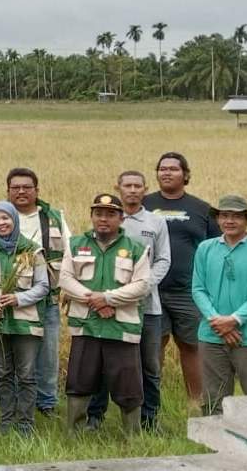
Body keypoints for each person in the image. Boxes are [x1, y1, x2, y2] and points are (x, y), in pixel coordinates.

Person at [0, 168, 69, 416]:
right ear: (8, 191)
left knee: (46, 356)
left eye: (27, 187)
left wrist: (68, 288)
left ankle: (45, 404)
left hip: (44, 300)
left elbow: (69, 255)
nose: (21, 191)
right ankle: (5, 402)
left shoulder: (53, 218)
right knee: (1, 361)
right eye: (15, 187)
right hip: (0, 307)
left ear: (37, 190)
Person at [61, 194, 151, 434]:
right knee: (79, 381)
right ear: (91, 216)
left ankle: (133, 437)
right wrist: (95, 300)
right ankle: (74, 434)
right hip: (85, 324)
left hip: (121, 326)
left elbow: (141, 285)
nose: (103, 219)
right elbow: (65, 279)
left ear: (121, 218)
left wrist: (109, 298)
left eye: (110, 214)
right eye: (98, 214)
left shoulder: (136, 249)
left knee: (128, 385)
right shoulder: (75, 244)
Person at [88, 171, 171, 431]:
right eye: (127, 185)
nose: (132, 190)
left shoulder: (156, 222)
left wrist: (141, 288)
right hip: (106, 309)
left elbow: (163, 260)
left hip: (147, 308)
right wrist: (106, 299)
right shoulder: (105, 217)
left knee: (150, 367)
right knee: (102, 366)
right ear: (119, 188)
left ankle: (149, 420)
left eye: (137, 186)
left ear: (146, 189)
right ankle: (94, 417)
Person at [144, 152, 218, 410]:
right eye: (162, 168)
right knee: (154, 346)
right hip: (150, 290)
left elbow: (217, 248)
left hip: (188, 290)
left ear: (185, 175)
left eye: (174, 169)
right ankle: (152, 403)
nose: (167, 173)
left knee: (191, 345)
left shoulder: (203, 209)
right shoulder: (143, 204)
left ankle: (195, 402)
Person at [0, 201, 49, 436]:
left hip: (26, 324)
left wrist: (19, 298)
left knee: (27, 374)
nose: (1, 223)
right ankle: (7, 420)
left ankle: (26, 423)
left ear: (14, 220)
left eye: (5, 218)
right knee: (3, 373)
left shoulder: (33, 250)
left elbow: (43, 286)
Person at [191, 194, 247, 415]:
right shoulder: (206, 248)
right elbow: (198, 288)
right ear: (217, 220)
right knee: (214, 398)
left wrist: (234, 320)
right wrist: (217, 322)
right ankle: (215, 445)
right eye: (224, 215)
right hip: (211, 334)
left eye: (236, 216)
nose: (229, 221)